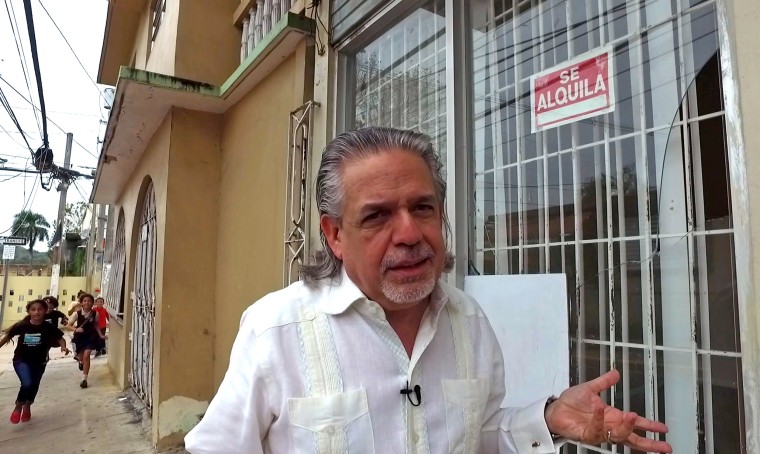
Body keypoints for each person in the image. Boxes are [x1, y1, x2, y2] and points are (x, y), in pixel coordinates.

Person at [184, 128, 673, 453]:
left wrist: (547, 419)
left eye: (423, 208)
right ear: (334, 235)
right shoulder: (276, 331)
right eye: (377, 216)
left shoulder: (468, 321)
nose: (409, 234)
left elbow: (477, 434)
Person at [0, 300, 70, 424]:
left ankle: (27, 406)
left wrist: (63, 347)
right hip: (21, 360)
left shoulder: (48, 327)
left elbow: (60, 338)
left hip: (40, 362)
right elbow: (6, 337)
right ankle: (18, 406)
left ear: (45, 311)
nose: (37, 312)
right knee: (27, 382)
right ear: (29, 311)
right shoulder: (22, 325)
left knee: (34, 385)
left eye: (40, 309)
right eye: (33, 309)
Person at [65, 293, 106, 389]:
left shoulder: (95, 313)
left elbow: (96, 325)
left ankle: (84, 379)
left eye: (89, 301)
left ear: (93, 303)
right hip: (80, 337)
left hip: (91, 337)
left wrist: (100, 335)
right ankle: (81, 362)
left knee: (87, 355)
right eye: (85, 301)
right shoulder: (77, 314)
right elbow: (68, 325)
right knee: (82, 357)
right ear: (81, 303)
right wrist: (76, 329)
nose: (87, 303)